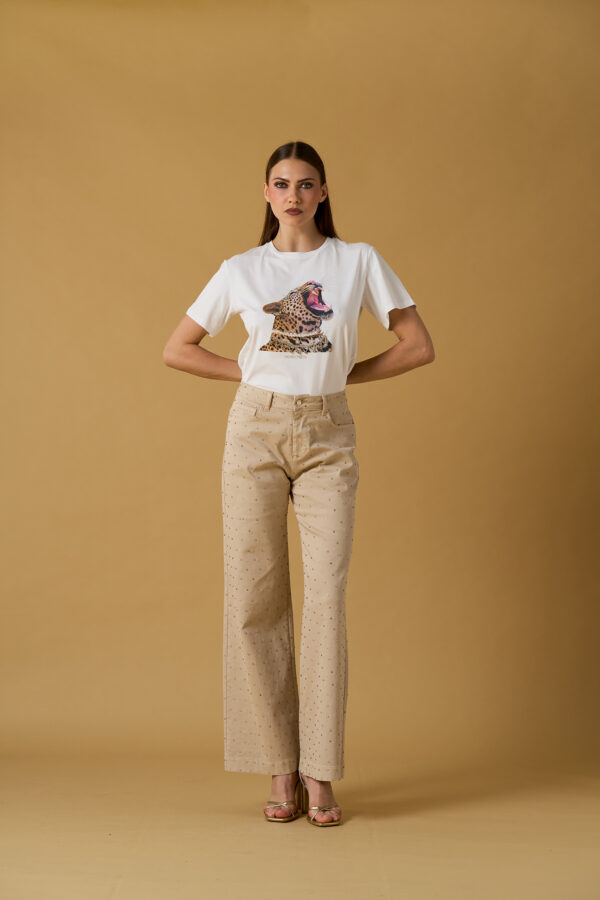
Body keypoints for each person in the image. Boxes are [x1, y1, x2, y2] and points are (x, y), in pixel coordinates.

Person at [163, 140, 435, 827]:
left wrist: (342, 379)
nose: (293, 195)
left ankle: (321, 771)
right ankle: (279, 768)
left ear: (323, 193)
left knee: (326, 599)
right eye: (282, 183)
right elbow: (178, 348)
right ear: (266, 192)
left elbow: (417, 344)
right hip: (253, 432)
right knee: (255, 598)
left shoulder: (357, 261)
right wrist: (252, 374)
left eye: (306, 184)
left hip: (327, 434)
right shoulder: (241, 269)